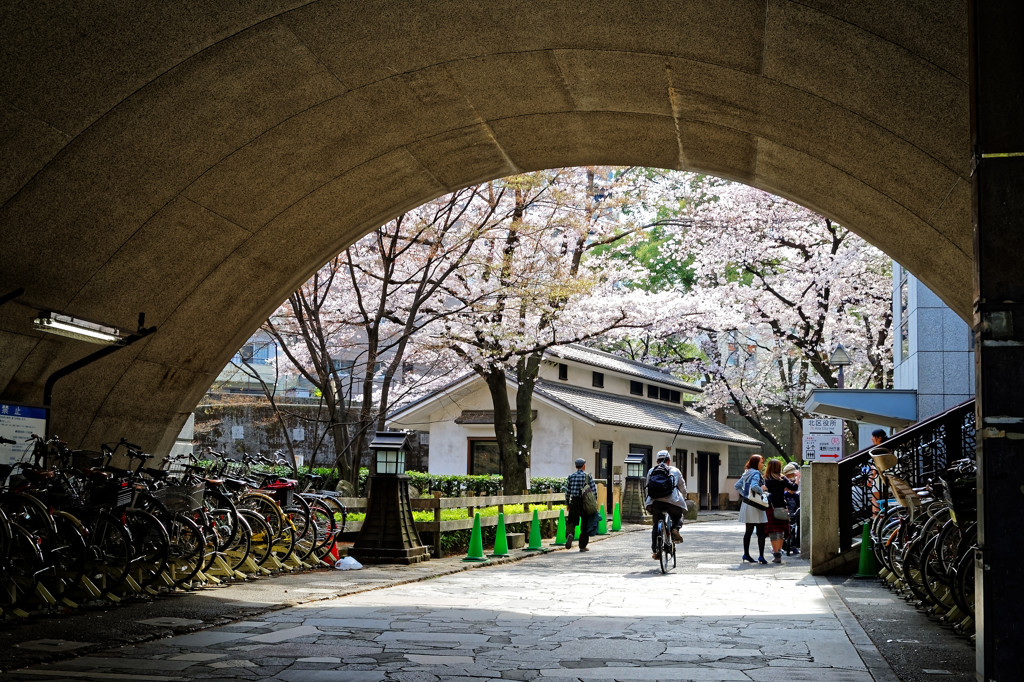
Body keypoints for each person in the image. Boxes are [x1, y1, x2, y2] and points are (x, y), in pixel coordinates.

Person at [644, 450, 688, 560]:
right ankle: (675, 530)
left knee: (656, 524)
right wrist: (684, 497)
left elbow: (647, 487)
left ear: (657, 461)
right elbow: (682, 487)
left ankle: (656, 550)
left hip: (655, 503)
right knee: (679, 515)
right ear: (669, 461)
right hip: (673, 502)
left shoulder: (651, 471)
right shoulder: (675, 470)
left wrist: (648, 501)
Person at [763, 458, 800, 563]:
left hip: (770, 508)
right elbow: (793, 488)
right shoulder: (782, 479)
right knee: (781, 531)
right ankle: (778, 552)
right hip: (782, 508)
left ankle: (776, 554)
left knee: (773, 532)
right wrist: (798, 478)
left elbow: (762, 489)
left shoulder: (766, 479)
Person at [734, 454, 768, 564]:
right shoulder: (756, 473)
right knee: (760, 532)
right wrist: (762, 490)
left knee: (748, 531)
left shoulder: (746, 473)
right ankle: (761, 556)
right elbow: (754, 486)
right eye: (761, 462)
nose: (762, 465)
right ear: (756, 463)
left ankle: (746, 554)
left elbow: (737, 485)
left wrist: (745, 494)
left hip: (747, 504)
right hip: (756, 505)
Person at [564, 457, 597, 552]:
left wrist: (567, 503)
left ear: (576, 466)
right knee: (584, 524)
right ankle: (582, 546)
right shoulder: (587, 476)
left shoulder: (571, 476)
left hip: (574, 501)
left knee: (572, 521)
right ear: (583, 466)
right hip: (585, 502)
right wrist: (594, 502)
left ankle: (570, 534)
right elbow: (593, 491)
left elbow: (568, 491)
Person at [782, 462, 801, 556]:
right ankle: (786, 545)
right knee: (786, 530)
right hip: (786, 511)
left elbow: (799, 504)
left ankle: (793, 546)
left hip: (794, 512)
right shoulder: (784, 484)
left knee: (793, 530)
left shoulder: (796, 495)